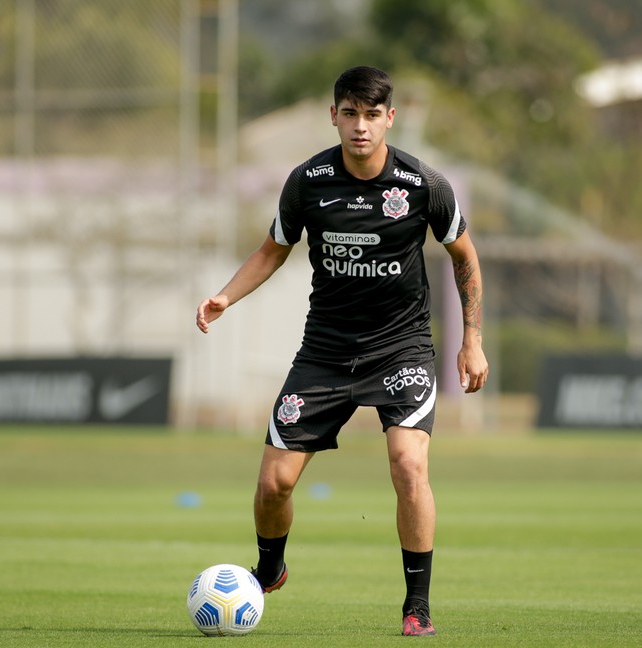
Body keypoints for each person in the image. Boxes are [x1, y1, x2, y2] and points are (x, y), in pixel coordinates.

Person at [196, 65, 488, 637]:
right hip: (325, 353)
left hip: (402, 350)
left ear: (390, 119)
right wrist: (225, 297)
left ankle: (417, 606)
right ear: (333, 116)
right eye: (350, 114)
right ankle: (271, 566)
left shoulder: (423, 185)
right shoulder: (308, 182)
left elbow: (465, 257)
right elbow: (271, 249)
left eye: (372, 115)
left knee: (409, 464)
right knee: (273, 485)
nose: (360, 126)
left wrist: (471, 340)